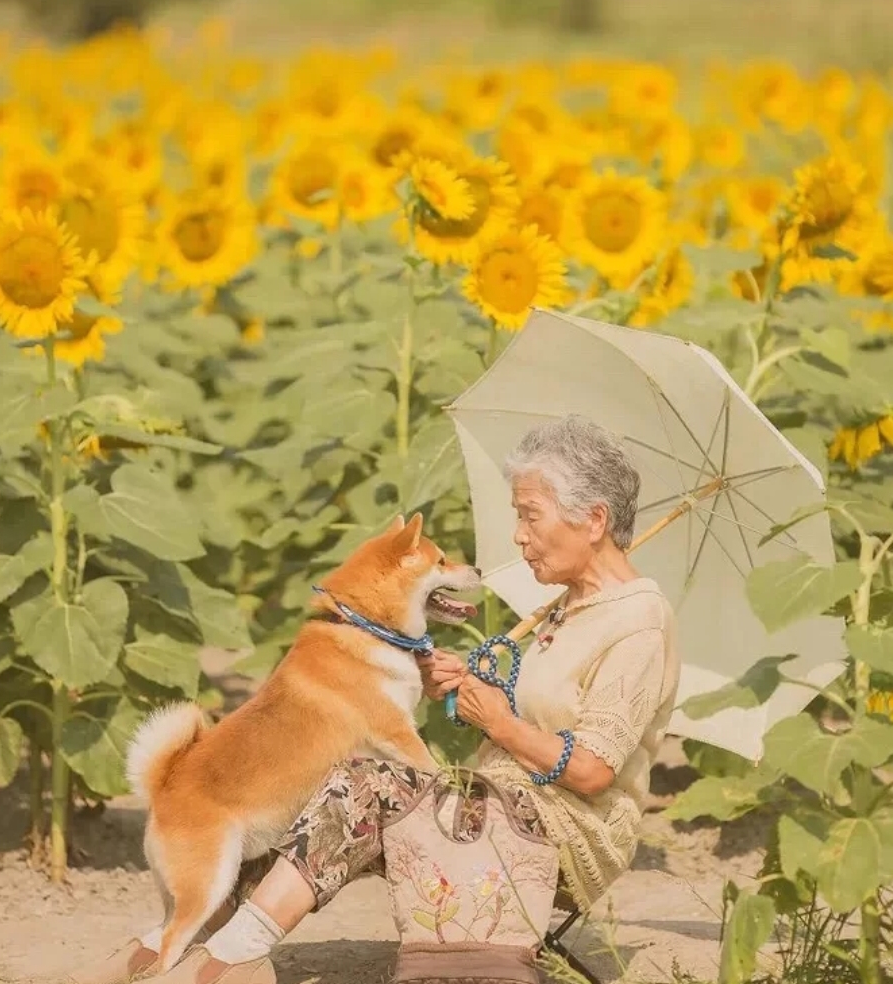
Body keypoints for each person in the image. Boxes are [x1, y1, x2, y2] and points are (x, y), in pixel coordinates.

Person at [72, 414, 680, 984]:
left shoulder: (639, 621)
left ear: (593, 520)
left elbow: (593, 771)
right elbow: (537, 719)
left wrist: (499, 721)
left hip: (562, 838)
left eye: (531, 515)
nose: (519, 536)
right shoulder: (565, 607)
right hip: (499, 807)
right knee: (302, 783)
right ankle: (194, 929)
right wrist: (471, 688)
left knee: (366, 781)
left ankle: (235, 953)